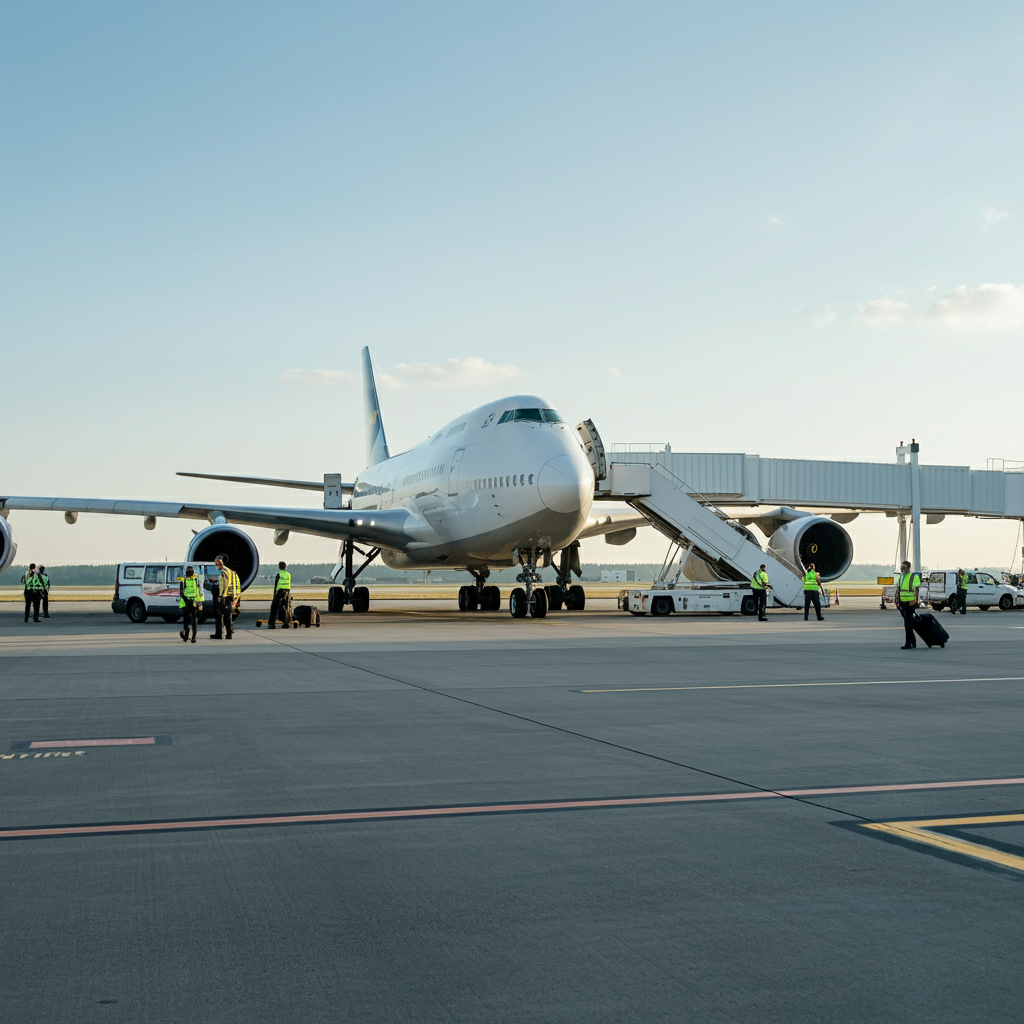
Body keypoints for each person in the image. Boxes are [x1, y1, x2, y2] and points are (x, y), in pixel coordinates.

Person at [210, 554, 236, 640]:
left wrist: (222, 597)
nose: (216, 564)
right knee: (226, 616)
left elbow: (225, 585)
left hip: (225, 597)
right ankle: (222, 633)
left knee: (224, 616)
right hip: (227, 596)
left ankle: (225, 634)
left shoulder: (224, 572)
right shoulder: (227, 571)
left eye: (218, 562)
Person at [897, 560, 922, 649]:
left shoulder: (913, 576)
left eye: (904, 567)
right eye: (901, 567)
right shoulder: (901, 577)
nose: (902, 569)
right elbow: (899, 589)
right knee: (908, 623)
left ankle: (909, 643)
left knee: (907, 623)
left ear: (908, 568)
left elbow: (916, 589)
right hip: (903, 602)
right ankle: (912, 642)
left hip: (910, 603)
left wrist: (915, 600)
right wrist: (897, 601)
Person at [178, 566, 203, 644]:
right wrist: (185, 599)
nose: (189, 575)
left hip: (194, 602)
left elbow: (200, 591)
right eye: (188, 573)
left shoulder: (197, 579)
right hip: (186, 602)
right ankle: (186, 636)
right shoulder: (183, 580)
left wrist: (199, 602)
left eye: (190, 573)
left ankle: (193, 637)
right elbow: (181, 591)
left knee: (194, 620)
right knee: (186, 620)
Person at [268, 561, 291, 629]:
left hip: (279, 592)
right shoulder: (288, 574)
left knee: (274, 607)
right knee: (284, 607)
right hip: (286, 592)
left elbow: (276, 585)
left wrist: (274, 594)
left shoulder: (279, 574)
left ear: (279, 567)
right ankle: (285, 622)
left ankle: (272, 624)